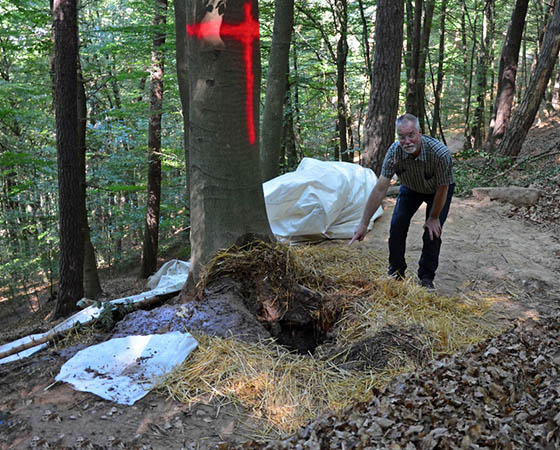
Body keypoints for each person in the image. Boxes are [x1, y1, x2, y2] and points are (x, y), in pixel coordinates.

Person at [349, 113, 455, 289]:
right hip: (411, 188)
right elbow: (380, 188)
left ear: (420, 132)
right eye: (402, 137)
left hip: (438, 190)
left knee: (432, 232)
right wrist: (363, 223)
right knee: (397, 226)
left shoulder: (440, 154)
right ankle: (396, 273)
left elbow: (443, 187)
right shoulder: (394, 151)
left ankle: (426, 278)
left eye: (411, 135)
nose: (407, 141)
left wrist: (434, 217)